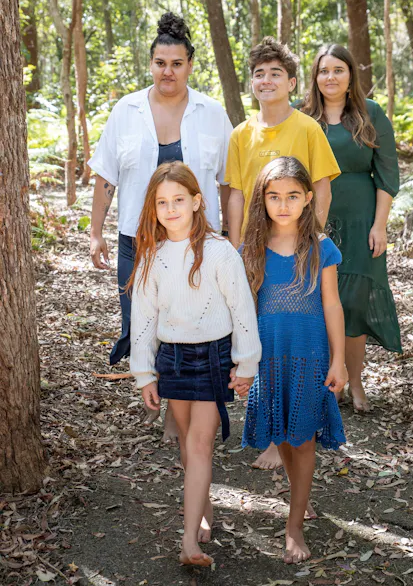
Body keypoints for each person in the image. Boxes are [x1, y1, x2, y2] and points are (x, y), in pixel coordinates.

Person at [88, 12, 233, 437]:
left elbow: (229, 181)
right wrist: (95, 233)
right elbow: (106, 176)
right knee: (141, 322)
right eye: (160, 63)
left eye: (176, 63)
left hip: (197, 242)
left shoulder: (211, 113)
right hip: (139, 239)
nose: (168, 71)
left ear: (190, 65)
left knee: (187, 321)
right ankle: (157, 390)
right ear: (150, 64)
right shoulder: (126, 110)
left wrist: (230, 235)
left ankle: (177, 410)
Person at [129, 162, 261, 567]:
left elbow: (242, 310)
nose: (171, 209)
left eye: (178, 200)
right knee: (188, 446)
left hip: (213, 357)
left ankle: (188, 542)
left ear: (197, 201)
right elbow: (143, 319)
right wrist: (144, 373)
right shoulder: (151, 257)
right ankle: (203, 509)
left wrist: (246, 363)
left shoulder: (220, 252)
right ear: (153, 208)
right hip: (172, 358)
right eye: (162, 202)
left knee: (201, 444)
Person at [225, 37, 340, 469]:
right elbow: (236, 193)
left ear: (292, 82)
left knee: (298, 325)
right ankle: (273, 431)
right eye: (259, 74)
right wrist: (236, 246)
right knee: (260, 326)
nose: (267, 80)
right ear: (251, 83)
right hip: (256, 248)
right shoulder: (241, 134)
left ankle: (297, 428)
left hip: (300, 245)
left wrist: (312, 236)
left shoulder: (307, 128)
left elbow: (322, 187)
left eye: (276, 73)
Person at [240, 156, 347, 564]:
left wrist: (339, 360)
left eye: (292, 196)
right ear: (262, 199)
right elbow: (242, 310)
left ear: (307, 199)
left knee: (302, 440)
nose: (283, 205)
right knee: (283, 433)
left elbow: (332, 305)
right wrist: (240, 361)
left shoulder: (321, 248)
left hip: (309, 355)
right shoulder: (250, 249)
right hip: (268, 356)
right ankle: (301, 497)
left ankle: (294, 525)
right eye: (274, 196)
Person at [301, 44, 401, 412]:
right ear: (315, 77)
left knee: (354, 304)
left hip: (361, 221)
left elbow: (387, 174)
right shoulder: (302, 117)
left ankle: (355, 381)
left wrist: (380, 226)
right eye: (324, 70)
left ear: (350, 76)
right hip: (314, 221)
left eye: (338, 70)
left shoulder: (370, 113)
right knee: (319, 301)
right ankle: (329, 380)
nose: (330, 77)